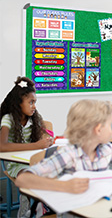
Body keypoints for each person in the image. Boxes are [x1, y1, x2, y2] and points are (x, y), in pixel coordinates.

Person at [15, 99, 112, 214]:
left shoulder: (107, 150)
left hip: (100, 210)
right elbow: (22, 179)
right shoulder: (68, 154)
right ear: (98, 129)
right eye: (109, 125)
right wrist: (64, 186)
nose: (111, 131)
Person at [0, 76, 53, 217]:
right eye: (30, 102)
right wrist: (35, 145)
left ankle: (42, 207)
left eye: (35, 102)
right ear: (18, 104)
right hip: (15, 163)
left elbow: (45, 133)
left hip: (32, 160)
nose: (34, 106)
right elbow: (1, 146)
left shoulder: (34, 118)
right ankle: (24, 213)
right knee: (29, 178)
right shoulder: (8, 119)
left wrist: (46, 139)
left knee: (53, 173)